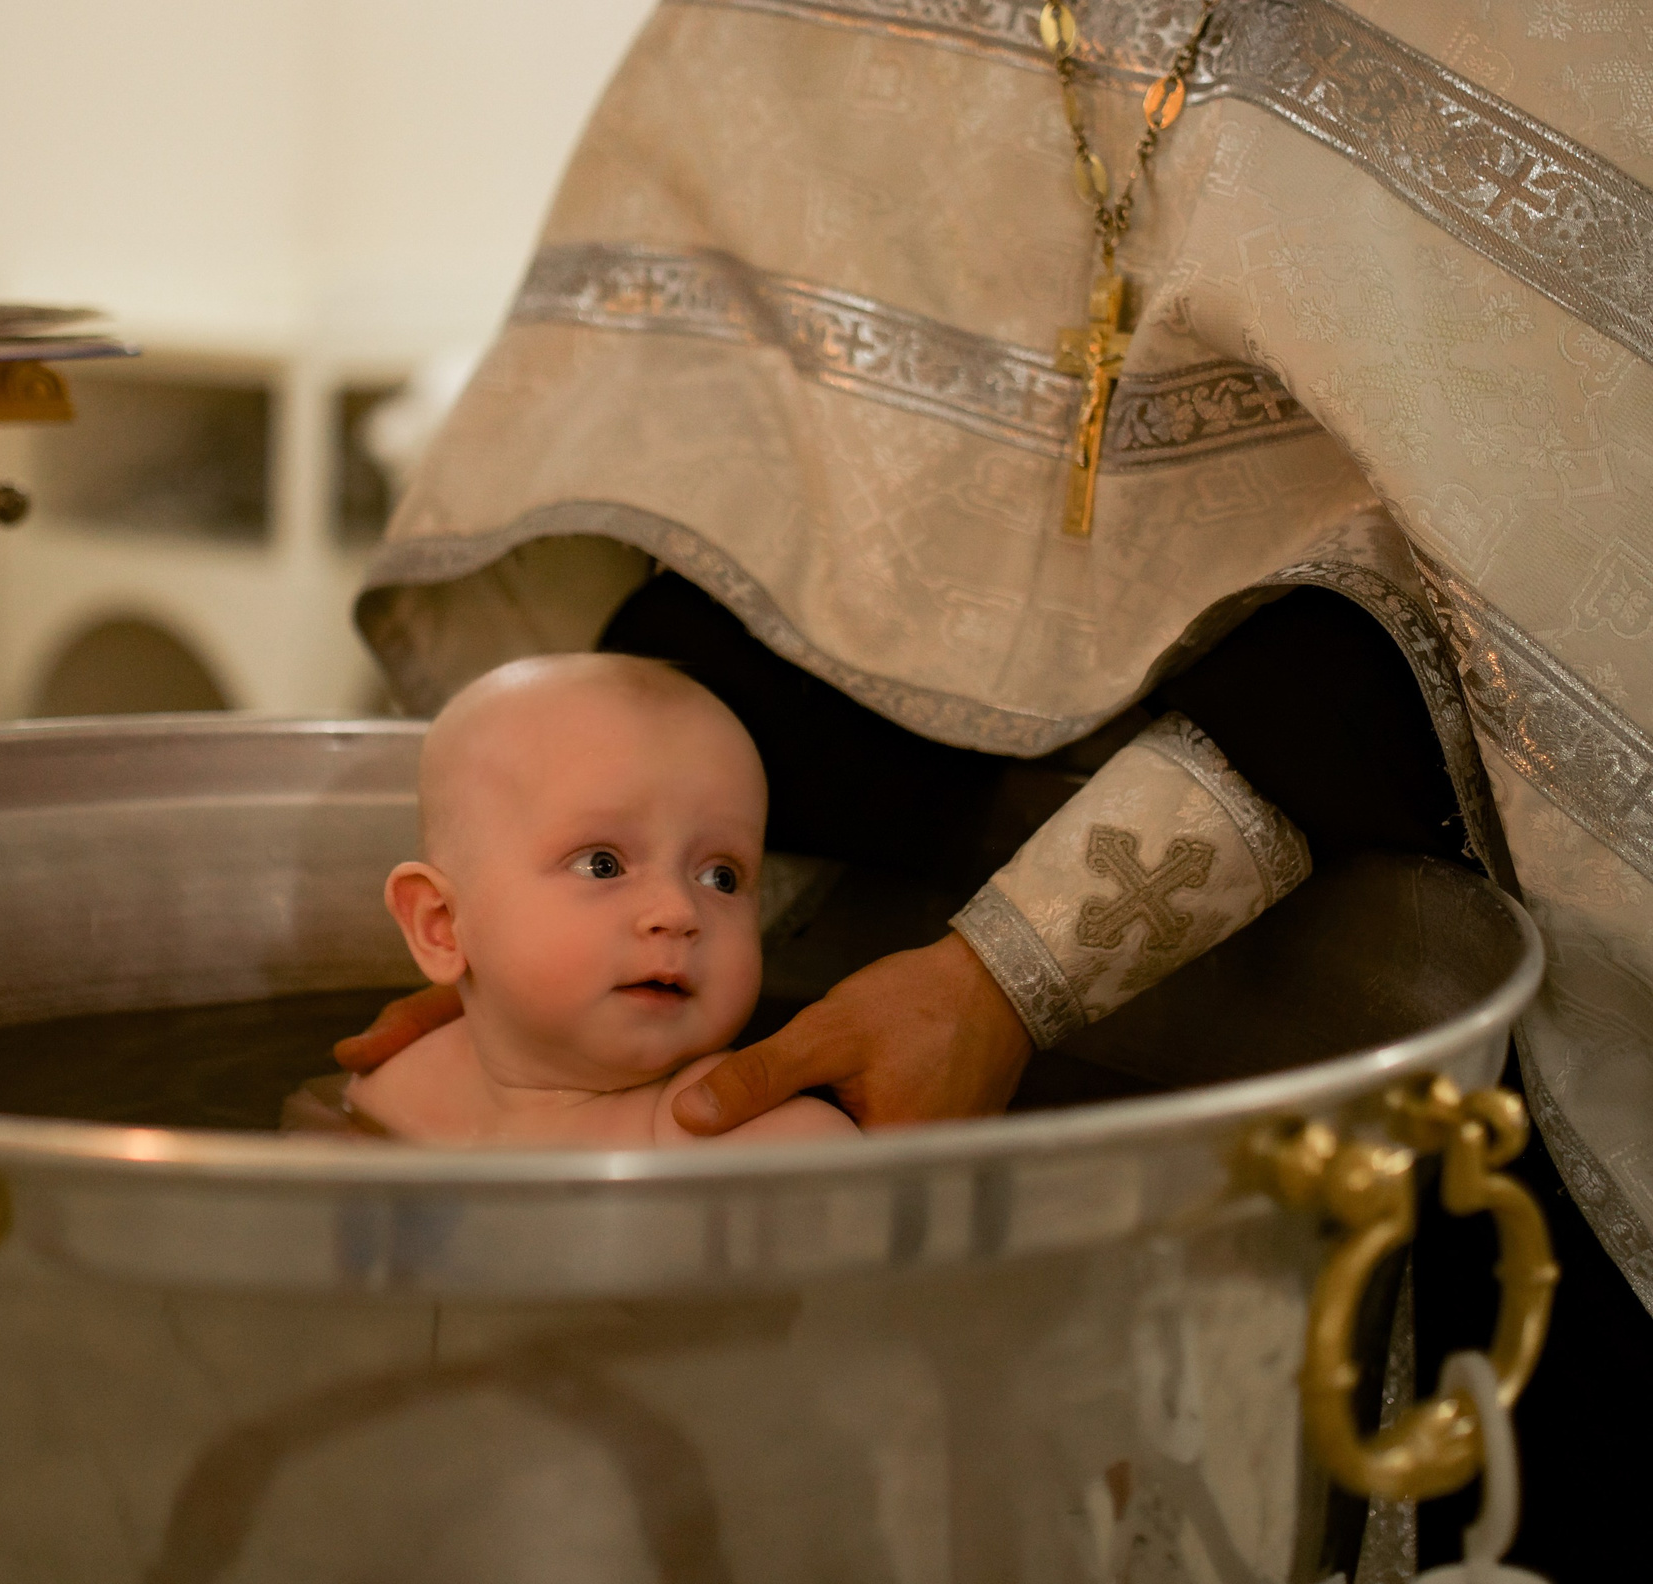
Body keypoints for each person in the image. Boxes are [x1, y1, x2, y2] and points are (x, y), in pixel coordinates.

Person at [336, 2, 1653, 1574]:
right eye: (618, 874)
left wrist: (1004, 974)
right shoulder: (406, 1093)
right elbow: (726, 482)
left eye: (711, 880)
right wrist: (535, 943)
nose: (674, 909)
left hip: (1353, 938)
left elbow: (1521, 559)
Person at [339, 653, 857, 1144]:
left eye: (721, 878)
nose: (678, 912)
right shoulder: (392, 1092)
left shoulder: (734, 1135)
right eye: (602, 865)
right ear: (442, 926)